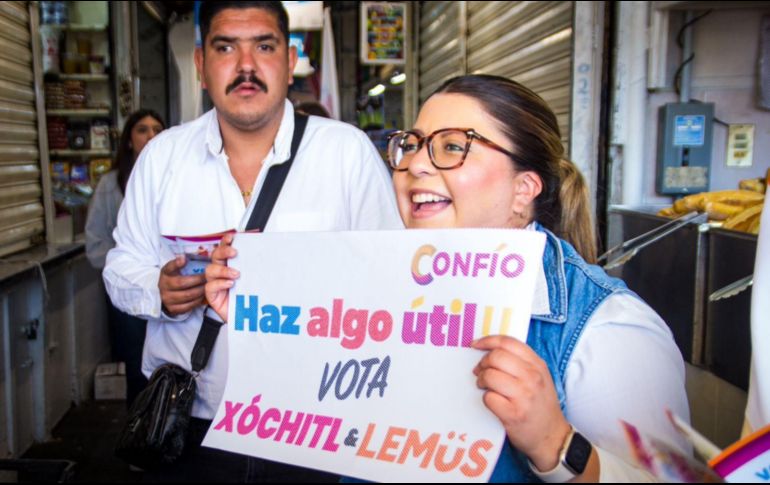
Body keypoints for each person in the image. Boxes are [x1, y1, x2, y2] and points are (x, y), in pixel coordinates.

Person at [206, 74, 690, 482]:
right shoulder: (369, 285)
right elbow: (333, 401)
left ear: (524, 188)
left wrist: (555, 445)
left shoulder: (609, 331)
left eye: (453, 147)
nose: (415, 164)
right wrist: (263, 322)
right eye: (413, 145)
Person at [103, 1, 402, 481]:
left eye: (264, 46)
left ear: (289, 61)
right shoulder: (162, 159)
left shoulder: (345, 154)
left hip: (311, 423)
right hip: (190, 422)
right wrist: (157, 290)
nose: (246, 66)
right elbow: (121, 267)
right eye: (226, 48)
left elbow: (390, 279)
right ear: (201, 65)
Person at [85, 109, 165, 406]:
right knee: (135, 363)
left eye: (157, 129)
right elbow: (96, 238)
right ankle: (139, 431)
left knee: (169, 363)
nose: (151, 136)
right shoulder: (110, 184)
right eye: (142, 130)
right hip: (130, 289)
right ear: (129, 139)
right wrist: (123, 270)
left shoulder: (177, 178)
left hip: (171, 288)